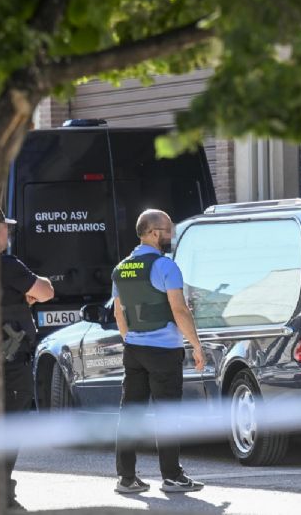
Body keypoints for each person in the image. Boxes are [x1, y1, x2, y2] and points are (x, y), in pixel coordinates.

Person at [111, 209, 205, 494]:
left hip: (135, 349)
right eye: (168, 230)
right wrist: (196, 345)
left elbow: (119, 313)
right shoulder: (165, 266)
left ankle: (126, 478)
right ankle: (172, 476)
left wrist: (132, 340)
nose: (172, 234)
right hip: (163, 350)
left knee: (131, 413)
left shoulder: (121, 268)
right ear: (153, 232)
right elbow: (179, 309)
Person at [0, 209, 54, 509]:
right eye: (4, 228)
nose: (8, 234)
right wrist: (28, 293)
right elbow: (45, 291)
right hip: (9, 363)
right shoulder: (6, 265)